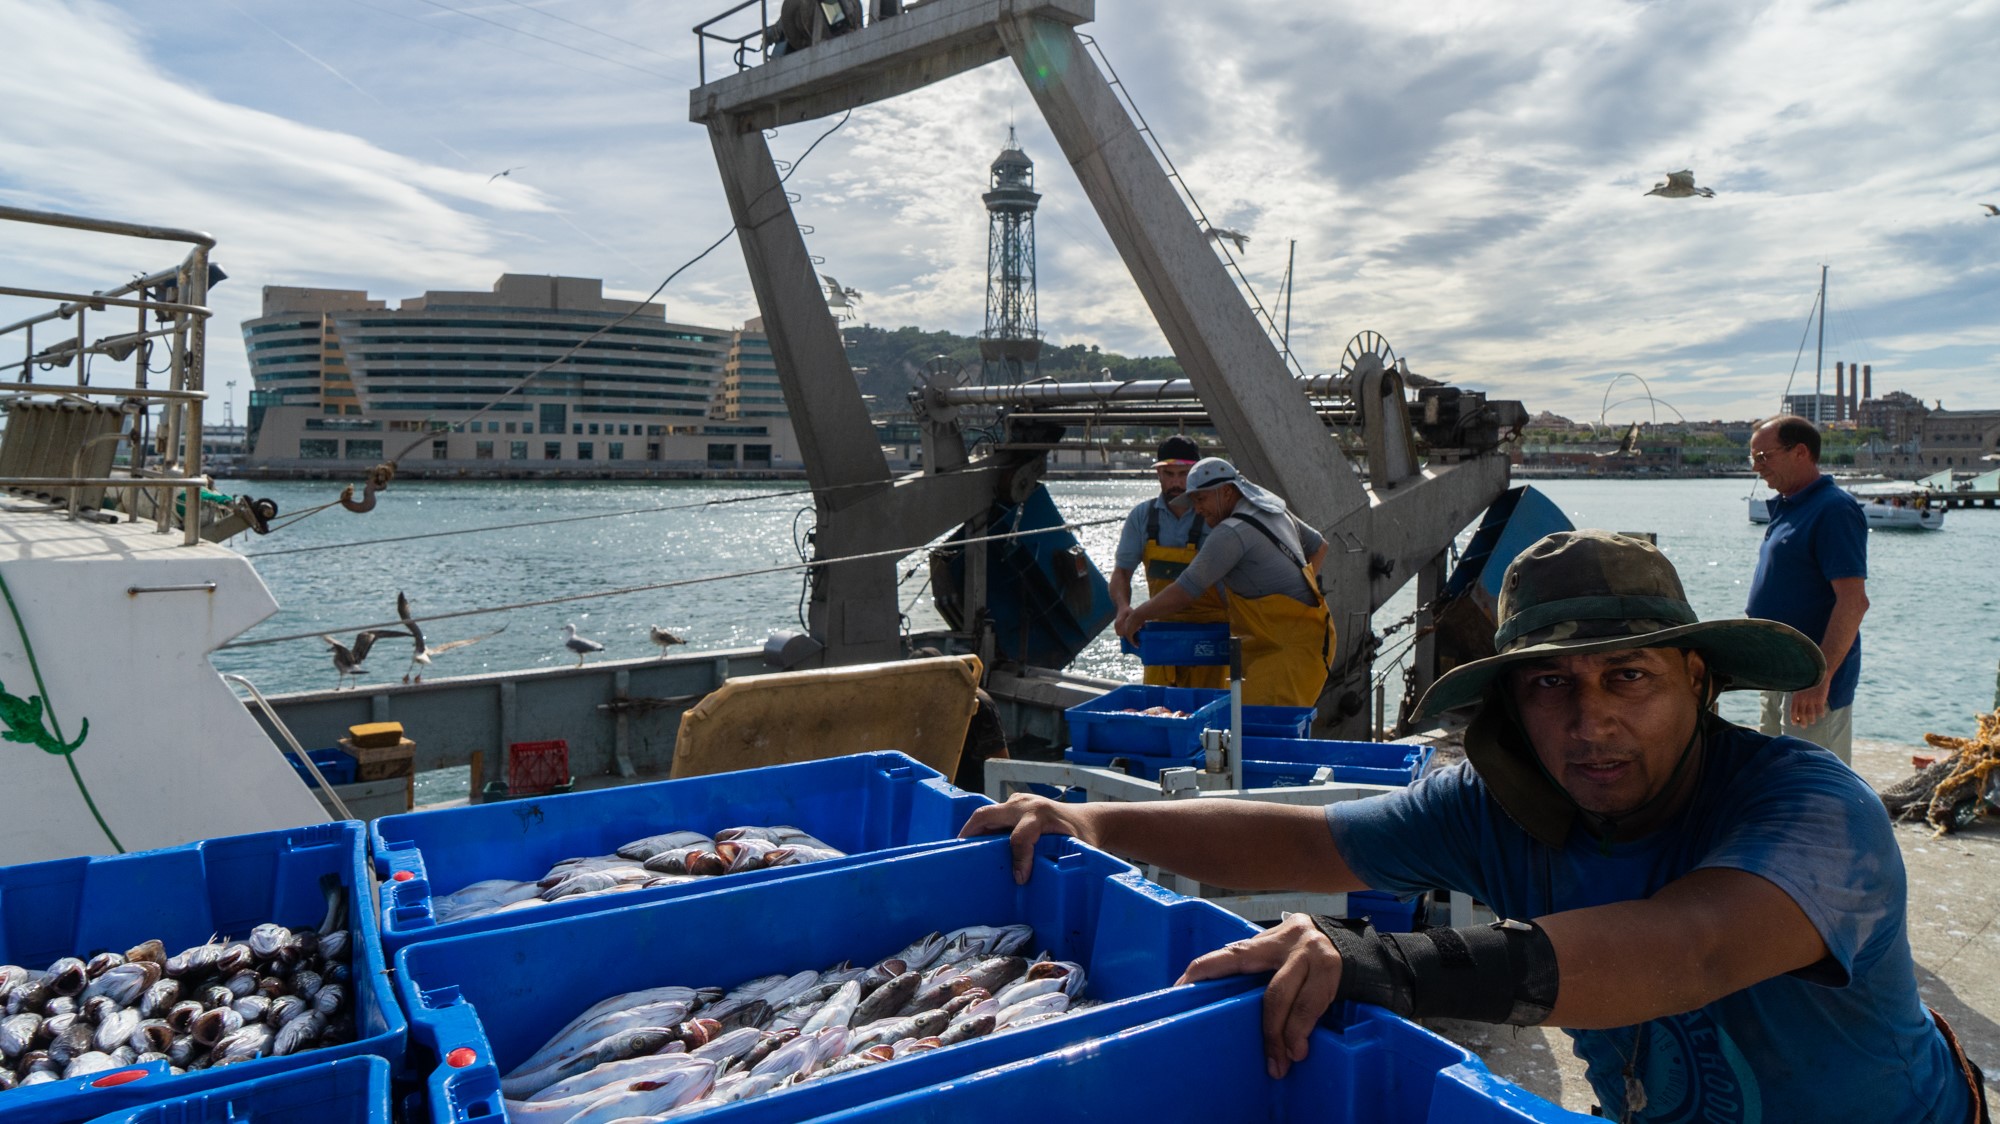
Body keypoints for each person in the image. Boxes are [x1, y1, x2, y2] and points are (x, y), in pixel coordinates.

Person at [967, 530, 1983, 1123]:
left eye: (1626, 675)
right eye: (1549, 684)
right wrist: (1093, 814)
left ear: (1697, 678)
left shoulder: (1810, 809)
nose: (1588, 720)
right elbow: (1301, 838)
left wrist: (1376, 959)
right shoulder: (1504, 810)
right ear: (1509, 707)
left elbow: (1690, 943)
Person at [1114, 457, 1334, 708]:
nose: (1196, 509)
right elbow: (1320, 546)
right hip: (1303, 637)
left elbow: (1187, 589)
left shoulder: (1230, 532)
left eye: (1200, 499)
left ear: (1227, 491)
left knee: (1255, 731)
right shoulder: (1271, 510)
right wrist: (1293, 596)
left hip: (1284, 649)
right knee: (1253, 727)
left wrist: (1136, 616)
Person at [1747, 415, 1870, 763]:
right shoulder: (1789, 506)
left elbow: (1853, 602)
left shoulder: (1833, 509)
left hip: (1810, 681)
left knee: (1815, 784)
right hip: (1777, 673)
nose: (1757, 468)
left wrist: (1821, 676)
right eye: (1753, 459)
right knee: (1773, 773)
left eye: (1763, 457)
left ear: (1800, 452)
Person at [1108, 436, 1228, 690]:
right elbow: (1121, 572)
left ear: (1197, 473)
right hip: (1161, 636)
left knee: (1210, 714)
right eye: (1168, 474)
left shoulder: (1214, 516)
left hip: (1211, 637)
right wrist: (1123, 607)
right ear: (1158, 474)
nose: (1176, 482)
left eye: (1183, 474)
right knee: (1159, 709)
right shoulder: (1141, 516)